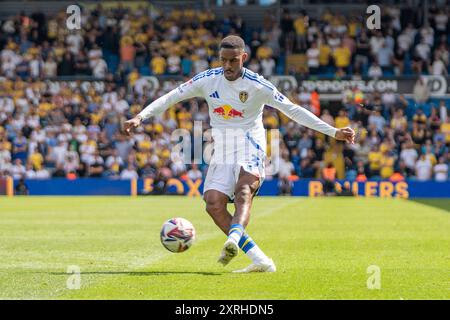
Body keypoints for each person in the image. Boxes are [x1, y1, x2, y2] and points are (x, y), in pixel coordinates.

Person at [124, 35, 355, 273]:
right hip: (222, 148)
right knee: (213, 204)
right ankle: (261, 261)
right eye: (223, 60)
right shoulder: (208, 79)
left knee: (243, 191)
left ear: (243, 57)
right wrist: (141, 116)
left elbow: (293, 110)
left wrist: (333, 131)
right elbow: (172, 96)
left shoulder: (258, 85)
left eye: (233, 60)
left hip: (249, 143)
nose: (227, 66)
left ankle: (233, 240)